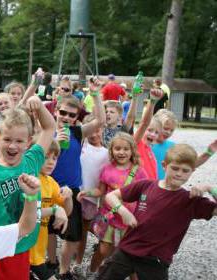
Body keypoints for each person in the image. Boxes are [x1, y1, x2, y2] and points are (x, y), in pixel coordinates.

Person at [98, 144, 217, 280]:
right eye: (175, 168)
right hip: (127, 251)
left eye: (185, 171)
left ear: (192, 171)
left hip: (156, 260)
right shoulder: (146, 185)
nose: (179, 173)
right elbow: (110, 196)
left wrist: (209, 188)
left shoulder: (190, 200)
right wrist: (123, 212)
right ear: (164, 165)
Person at [0, 94, 56, 280]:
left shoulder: (32, 160)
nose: (13, 146)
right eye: (7, 140)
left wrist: (40, 107)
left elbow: (49, 127)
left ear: (29, 141)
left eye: (19, 141)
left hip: (21, 246)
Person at [50, 78, 104, 280]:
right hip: (49, 187)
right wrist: (54, 141)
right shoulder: (46, 130)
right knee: (46, 233)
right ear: (56, 110)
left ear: (76, 118)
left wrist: (96, 94)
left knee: (73, 235)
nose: (66, 117)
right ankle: (47, 265)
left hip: (71, 189)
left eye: (71, 115)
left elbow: (100, 121)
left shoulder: (77, 132)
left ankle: (63, 271)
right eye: (62, 112)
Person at [77, 133, 148, 278]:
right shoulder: (107, 170)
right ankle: (92, 272)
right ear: (112, 151)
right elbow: (100, 191)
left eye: (125, 149)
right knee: (103, 250)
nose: (121, 152)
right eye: (117, 148)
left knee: (127, 253)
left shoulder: (139, 171)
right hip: (109, 218)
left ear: (132, 151)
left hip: (129, 220)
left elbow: (146, 192)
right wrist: (87, 192)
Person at [28, 139, 72, 280]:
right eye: (46, 157)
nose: (51, 161)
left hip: (38, 253)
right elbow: (29, 214)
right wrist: (54, 209)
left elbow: (67, 211)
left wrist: (69, 196)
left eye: (54, 158)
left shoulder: (51, 183)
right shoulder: (29, 178)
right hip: (25, 251)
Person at [72, 114, 109, 275]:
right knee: (79, 230)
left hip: (92, 198)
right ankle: (78, 261)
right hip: (76, 193)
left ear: (102, 130)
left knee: (86, 229)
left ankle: (94, 259)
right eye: (90, 131)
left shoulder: (107, 153)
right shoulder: (80, 146)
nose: (94, 134)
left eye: (97, 130)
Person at [132, 88, 164, 180]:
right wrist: (153, 101)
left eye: (156, 132)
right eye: (150, 130)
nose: (153, 134)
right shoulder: (136, 143)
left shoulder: (150, 150)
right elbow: (144, 123)